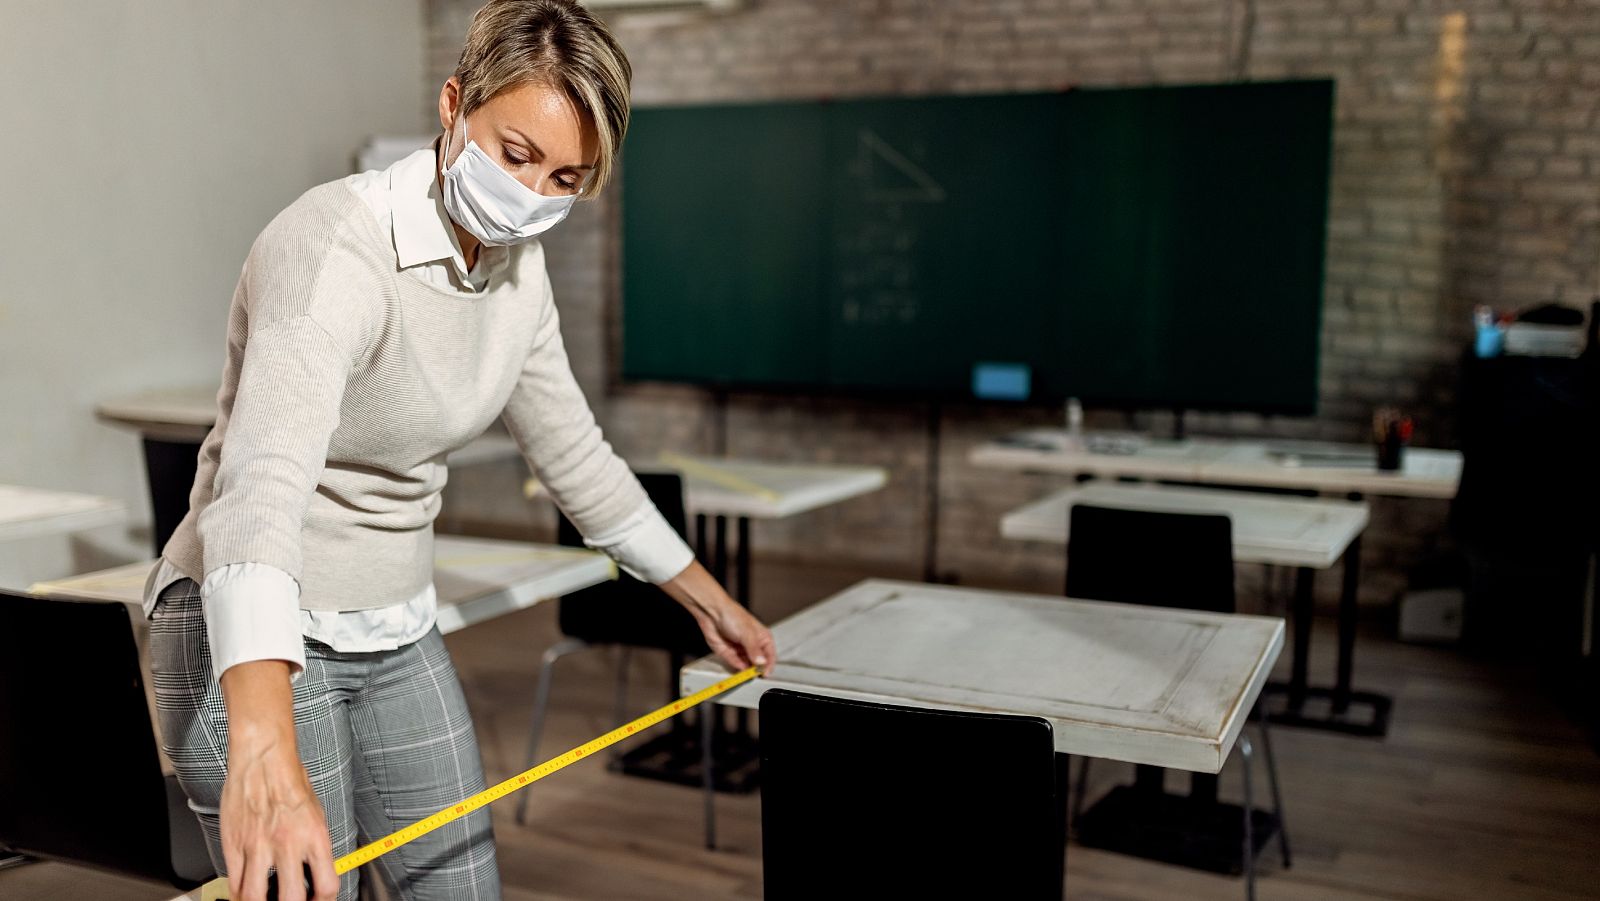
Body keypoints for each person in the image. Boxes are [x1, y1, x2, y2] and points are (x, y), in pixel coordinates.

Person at [143, 3, 777, 898]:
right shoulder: (332, 250)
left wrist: (706, 600)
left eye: (568, 176)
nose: (535, 194)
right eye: (517, 155)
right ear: (453, 106)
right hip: (244, 635)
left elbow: (577, 457)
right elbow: (259, 492)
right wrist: (262, 747)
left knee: (459, 886)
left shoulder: (518, 273)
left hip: (395, 626)